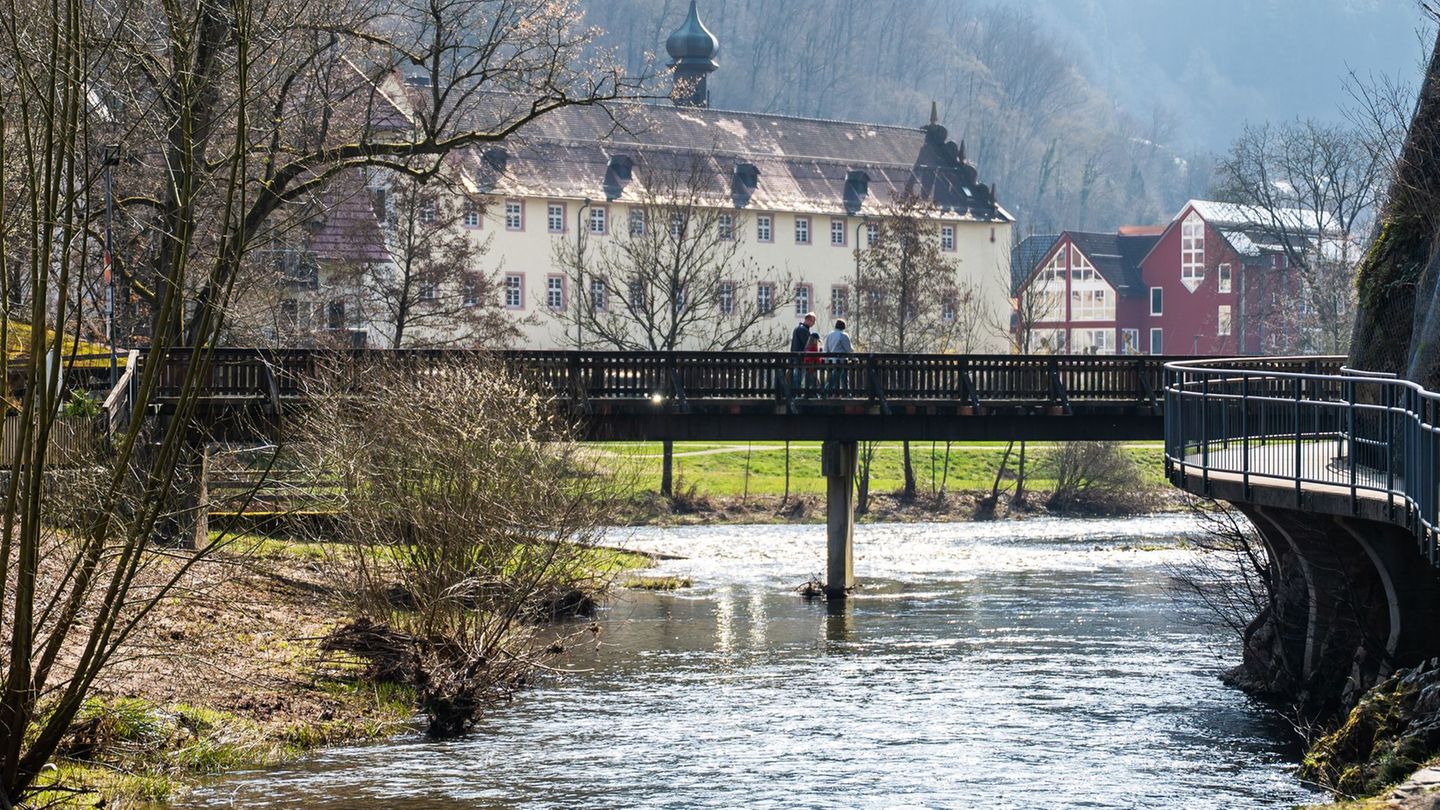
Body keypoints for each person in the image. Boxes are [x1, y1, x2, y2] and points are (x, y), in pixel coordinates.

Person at [823, 319, 853, 397]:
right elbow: (848, 349)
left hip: (831, 360)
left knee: (834, 377)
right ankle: (846, 393)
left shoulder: (830, 335)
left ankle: (831, 393)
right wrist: (853, 357)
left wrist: (826, 360)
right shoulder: (843, 335)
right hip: (842, 360)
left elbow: (826, 348)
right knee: (843, 378)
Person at [790, 311, 817, 391]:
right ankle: (797, 393)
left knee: (797, 376)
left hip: (795, 357)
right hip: (800, 358)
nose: (814, 323)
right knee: (798, 377)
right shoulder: (803, 330)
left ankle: (796, 393)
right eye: (813, 321)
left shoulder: (798, 328)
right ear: (808, 320)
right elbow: (807, 344)